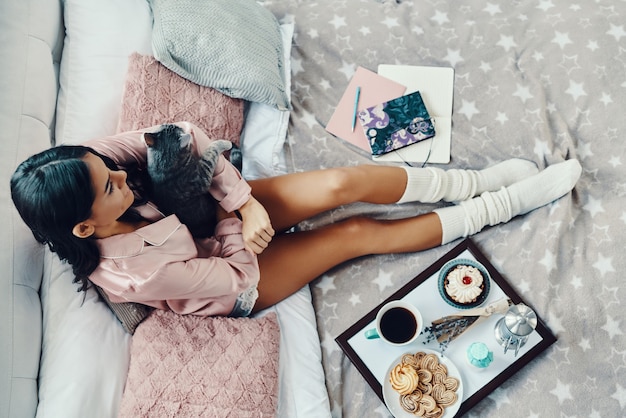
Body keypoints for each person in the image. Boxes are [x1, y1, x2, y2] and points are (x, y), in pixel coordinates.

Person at [11, 122, 582, 317]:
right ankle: (503, 206)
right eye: (111, 185)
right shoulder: (138, 274)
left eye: (109, 168)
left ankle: (476, 183)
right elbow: (232, 275)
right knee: (354, 233)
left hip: (216, 214)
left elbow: (178, 137)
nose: (120, 174)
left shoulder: (88, 164)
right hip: (230, 278)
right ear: (86, 227)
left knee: (344, 184)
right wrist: (244, 227)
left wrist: (244, 202)